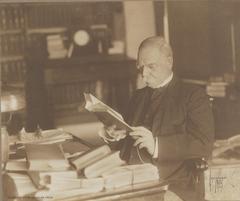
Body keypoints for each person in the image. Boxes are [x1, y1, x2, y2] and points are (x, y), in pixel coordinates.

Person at [100, 36, 214, 201]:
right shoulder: (137, 97)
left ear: (169, 61)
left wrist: (157, 146)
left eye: (151, 66)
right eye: (141, 68)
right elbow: (125, 143)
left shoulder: (193, 96)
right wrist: (112, 135)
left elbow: (204, 144)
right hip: (130, 180)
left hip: (171, 184)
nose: (144, 74)